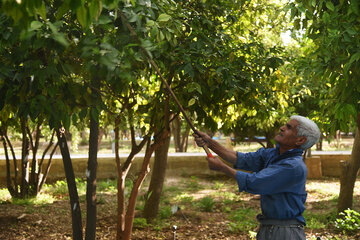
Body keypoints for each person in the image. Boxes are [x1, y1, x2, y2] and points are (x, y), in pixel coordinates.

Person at [193, 115, 320, 240]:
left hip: (285, 232)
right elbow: (239, 158)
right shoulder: (273, 154)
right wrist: (209, 142)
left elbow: (255, 183)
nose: (282, 128)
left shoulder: (293, 166)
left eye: (289, 127)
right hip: (269, 228)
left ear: (300, 140)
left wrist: (222, 168)